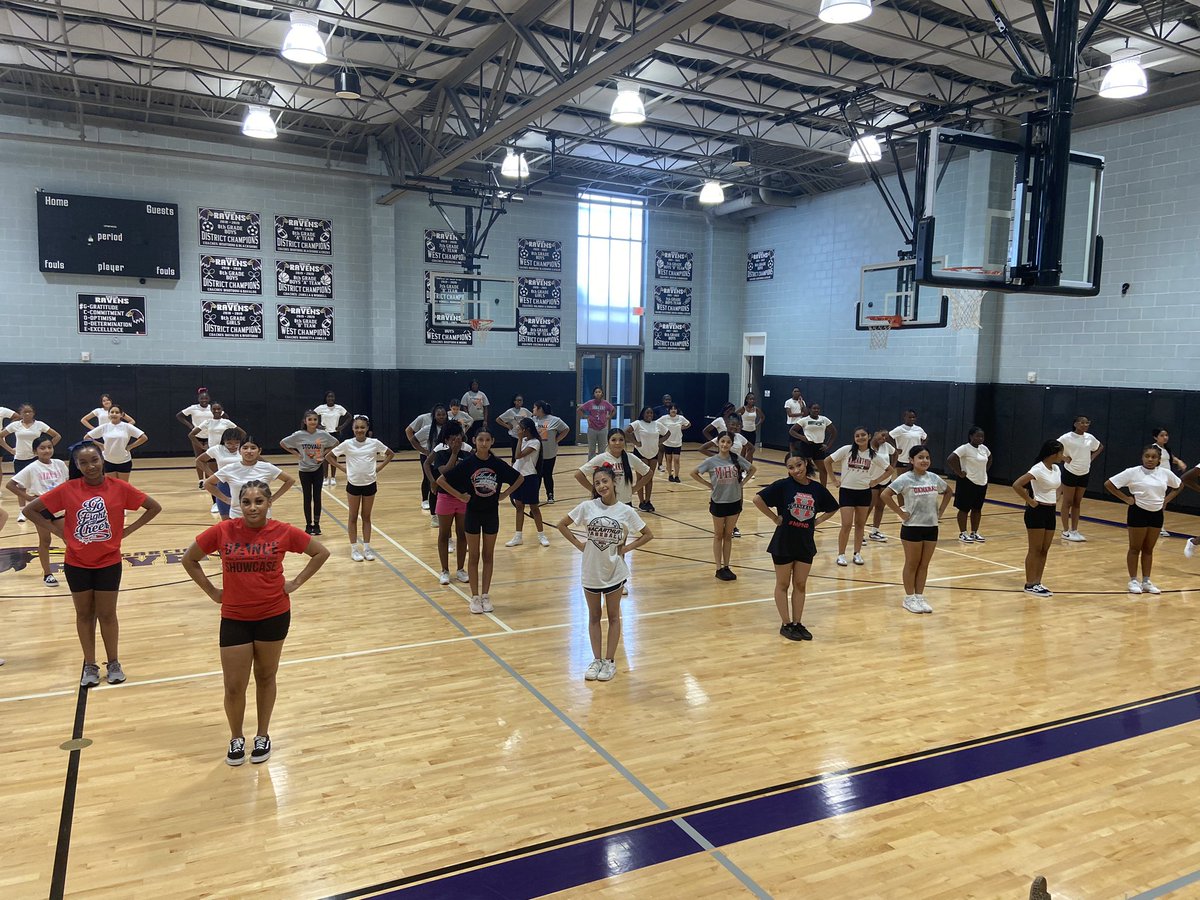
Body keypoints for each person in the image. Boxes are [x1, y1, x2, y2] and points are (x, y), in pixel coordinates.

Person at [181, 480, 330, 766]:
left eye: (259, 501)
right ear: (239, 504)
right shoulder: (223, 530)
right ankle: (236, 737)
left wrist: (296, 582)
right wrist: (212, 592)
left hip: (273, 614)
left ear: (269, 503)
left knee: (265, 677)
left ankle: (263, 734)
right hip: (235, 616)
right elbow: (190, 559)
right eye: (247, 502)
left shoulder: (283, 531)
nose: (252, 507)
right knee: (234, 685)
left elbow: (320, 552)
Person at [25, 442, 162, 686]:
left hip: (109, 561)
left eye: (94, 460)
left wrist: (127, 531)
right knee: (84, 614)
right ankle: (90, 664)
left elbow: (154, 507)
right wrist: (61, 535)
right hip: (77, 562)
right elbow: (31, 510)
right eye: (83, 462)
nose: (90, 466)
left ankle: (113, 662)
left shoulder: (119, 487)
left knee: (108, 614)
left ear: (102, 459)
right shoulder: (68, 489)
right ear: (76, 465)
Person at [557, 466, 654, 681]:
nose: (601, 486)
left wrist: (626, 548)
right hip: (590, 571)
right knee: (593, 617)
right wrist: (579, 545)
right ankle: (596, 660)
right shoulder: (586, 507)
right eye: (597, 483)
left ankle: (609, 661)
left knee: (613, 617)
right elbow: (561, 525)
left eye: (605, 481)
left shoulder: (625, 511)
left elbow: (648, 534)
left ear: (613, 483)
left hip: (614, 572)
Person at [753, 452, 839, 641]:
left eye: (798, 465)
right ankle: (786, 624)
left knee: (800, 584)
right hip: (783, 542)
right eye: (791, 467)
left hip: (805, 543)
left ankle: (798, 623)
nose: (796, 470)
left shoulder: (817, 488)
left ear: (806, 464)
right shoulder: (783, 485)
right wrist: (774, 518)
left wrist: (817, 522)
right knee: (783, 584)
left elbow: (833, 507)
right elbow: (757, 499)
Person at [437, 430, 523, 614]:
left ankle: (485, 595)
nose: (484, 443)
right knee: (474, 556)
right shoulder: (468, 463)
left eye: (487, 440)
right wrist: (460, 496)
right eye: (480, 440)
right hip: (473, 514)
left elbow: (519, 478)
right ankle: (474, 597)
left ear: (492, 441)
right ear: (475, 441)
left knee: (488, 556)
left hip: (491, 513)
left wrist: (506, 494)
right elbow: (441, 480)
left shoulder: (497, 464)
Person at [881, 446, 953, 614]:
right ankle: (909, 598)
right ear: (911, 460)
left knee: (924, 564)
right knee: (912, 563)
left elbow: (949, 492)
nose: (925, 461)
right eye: (920, 457)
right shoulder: (905, 478)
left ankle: (920, 596)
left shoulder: (934, 478)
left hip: (931, 527)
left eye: (927, 457)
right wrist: (900, 512)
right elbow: (885, 494)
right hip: (912, 527)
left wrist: (941, 511)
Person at [1105, 445, 1182, 594]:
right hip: (1138, 512)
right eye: (1147, 456)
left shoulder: (1165, 473)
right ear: (1142, 457)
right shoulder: (1132, 472)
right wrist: (1126, 499)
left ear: (1159, 459)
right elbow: (1109, 484)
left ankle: (1146, 580)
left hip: (1157, 513)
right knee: (1135, 548)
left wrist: (1166, 500)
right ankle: (1133, 580)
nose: (1150, 459)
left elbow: (1179, 486)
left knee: (1148, 549)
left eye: (1154, 457)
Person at [326, 416, 393, 562]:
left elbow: (390, 454)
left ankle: (367, 548)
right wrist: (342, 469)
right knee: (353, 517)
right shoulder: (347, 444)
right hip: (353, 484)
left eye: (362, 427)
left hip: (370, 483)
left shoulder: (374, 443)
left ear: (367, 428)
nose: (359, 430)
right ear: (352, 429)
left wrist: (379, 467)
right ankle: (354, 549)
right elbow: (329, 456)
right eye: (356, 427)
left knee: (367, 517)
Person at [6, 434, 68, 585]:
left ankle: (74, 567)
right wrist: (29, 498)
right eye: (42, 448)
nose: (46, 450)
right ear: (35, 452)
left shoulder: (59, 464)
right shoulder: (32, 467)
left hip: (59, 507)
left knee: (69, 538)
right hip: (41, 509)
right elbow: (10, 485)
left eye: (49, 447)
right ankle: (47, 574)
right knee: (45, 540)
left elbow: (68, 483)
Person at [692, 433, 755, 580]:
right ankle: (718, 568)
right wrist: (709, 485)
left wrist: (742, 484)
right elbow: (693, 473)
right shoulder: (711, 461)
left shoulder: (736, 458)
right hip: (718, 501)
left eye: (728, 442)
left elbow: (752, 469)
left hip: (734, 500)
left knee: (728, 535)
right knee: (718, 535)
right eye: (722, 441)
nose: (725, 445)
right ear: (718, 443)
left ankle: (727, 566)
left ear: (731, 444)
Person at [828, 428, 893, 566]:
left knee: (860, 524)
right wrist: (834, 480)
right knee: (846, 524)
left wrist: (876, 481)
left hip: (864, 492)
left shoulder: (873, 455)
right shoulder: (847, 450)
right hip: (846, 491)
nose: (860, 437)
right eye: (857, 435)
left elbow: (890, 470)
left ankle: (857, 554)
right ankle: (841, 554)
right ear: (854, 438)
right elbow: (827, 461)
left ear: (869, 436)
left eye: (863, 435)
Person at [1011, 440, 1063, 597]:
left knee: (1044, 549)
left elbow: (1059, 485)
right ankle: (1030, 583)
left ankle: (1038, 581)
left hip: (1050, 511)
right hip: (1037, 511)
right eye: (1061, 452)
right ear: (1053, 453)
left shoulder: (1056, 468)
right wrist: (1031, 501)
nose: (1063, 456)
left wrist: (1057, 496)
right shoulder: (1038, 468)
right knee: (1035, 549)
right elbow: (1017, 485)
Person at [206, 435, 295, 528]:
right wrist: (226, 499)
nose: (249, 451)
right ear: (239, 451)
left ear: (259, 451)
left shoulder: (267, 467)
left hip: (263, 517)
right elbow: (208, 483)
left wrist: (273, 498)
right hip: (237, 516)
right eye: (245, 448)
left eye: (253, 448)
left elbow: (290, 480)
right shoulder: (230, 468)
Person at [424, 421, 470, 585]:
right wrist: (454, 453)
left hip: (463, 498)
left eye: (457, 436)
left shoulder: (468, 450)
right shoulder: (442, 452)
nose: (455, 440)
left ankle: (460, 569)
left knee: (462, 533)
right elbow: (445, 471)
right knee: (444, 534)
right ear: (446, 439)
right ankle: (444, 570)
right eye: (451, 438)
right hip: (445, 497)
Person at [279, 411, 340, 534]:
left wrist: (323, 453)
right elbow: (283, 443)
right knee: (307, 497)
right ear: (305, 421)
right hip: (304, 470)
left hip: (318, 469)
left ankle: (317, 525)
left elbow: (336, 443)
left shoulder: (322, 434)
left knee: (317, 497)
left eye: (315, 419)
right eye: (310, 419)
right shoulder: (298, 435)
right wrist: (296, 453)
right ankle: (308, 525)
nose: (313, 422)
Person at [1058, 415, 1103, 542]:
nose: (1085, 425)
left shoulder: (1090, 438)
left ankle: (1074, 530)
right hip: (1070, 471)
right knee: (1068, 502)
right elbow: (1055, 448)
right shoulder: (1066, 437)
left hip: (1084, 472)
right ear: (1075, 424)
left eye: (1087, 423)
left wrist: (1091, 458)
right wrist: (1064, 458)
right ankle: (1065, 531)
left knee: (1077, 502)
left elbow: (1099, 447)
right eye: (1082, 423)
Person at [506, 418, 550, 548]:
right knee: (519, 507)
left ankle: (542, 535)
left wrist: (519, 439)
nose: (518, 430)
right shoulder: (524, 440)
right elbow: (516, 457)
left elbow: (518, 455)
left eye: (520, 428)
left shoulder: (535, 442)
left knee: (534, 508)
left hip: (530, 477)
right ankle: (518, 536)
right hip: (518, 477)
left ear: (527, 430)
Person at [946, 426, 992, 543]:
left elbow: (990, 458)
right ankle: (963, 533)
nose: (980, 438)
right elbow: (951, 459)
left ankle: (974, 532)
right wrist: (959, 472)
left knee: (977, 509)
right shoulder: (964, 448)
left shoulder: (984, 449)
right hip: (967, 482)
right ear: (971, 436)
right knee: (964, 509)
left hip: (982, 481)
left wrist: (984, 470)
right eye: (977, 436)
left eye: (982, 436)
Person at [406, 404, 448, 518]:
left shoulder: (451, 427)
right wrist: (424, 451)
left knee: (446, 487)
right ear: (434, 416)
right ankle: (433, 514)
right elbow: (413, 439)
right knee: (432, 484)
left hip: (448, 462)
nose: (441, 417)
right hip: (433, 461)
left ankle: (446, 513)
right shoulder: (428, 429)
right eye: (438, 415)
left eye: (443, 414)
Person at [85, 404, 147, 482]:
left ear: (121, 415)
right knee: (111, 486)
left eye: (117, 412)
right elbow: (86, 438)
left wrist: (130, 447)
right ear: (109, 414)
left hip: (124, 461)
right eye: (112, 412)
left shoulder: (127, 426)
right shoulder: (104, 427)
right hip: (108, 461)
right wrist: (100, 445)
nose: (114, 414)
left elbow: (144, 437)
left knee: (123, 486)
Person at [2, 405, 61, 486]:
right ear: (20, 414)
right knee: (20, 486)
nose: (27, 414)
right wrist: (10, 450)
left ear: (33, 413)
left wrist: (46, 448)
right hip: (20, 458)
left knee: (37, 484)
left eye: (29, 412)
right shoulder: (15, 425)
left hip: (35, 458)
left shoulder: (40, 424)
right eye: (24, 412)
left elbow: (57, 436)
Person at [197, 428, 245, 521]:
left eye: (236, 443)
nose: (233, 446)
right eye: (229, 443)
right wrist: (212, 475)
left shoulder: (244, 449)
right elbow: (199, 460)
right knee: (226, 521)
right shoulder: (217, 449)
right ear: (224, 441)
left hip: (242, 486)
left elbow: (260, 462)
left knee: (244, 520)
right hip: (224, 486)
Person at [626, 407, 668, 512]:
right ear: (643, 414)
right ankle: (641, 502)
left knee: (649, 478)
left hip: (654, 453)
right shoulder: (637, 423)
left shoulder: (657, 424)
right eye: (647, 412)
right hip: (640, 453)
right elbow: (626, 432)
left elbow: (668, 433)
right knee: (641, 478)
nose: (649, 414)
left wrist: (660, 441)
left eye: (651, 413)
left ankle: (648, 501)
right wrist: (635, 442)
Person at [532, 401, 570, 504]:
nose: (533, 410)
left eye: (534, 408)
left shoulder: (554, 420)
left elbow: (566, 429)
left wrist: (557, 440)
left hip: (549, 452)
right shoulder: (533, 420)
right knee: (537, 475)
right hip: (536, 453)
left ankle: (550, 495)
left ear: (540, 409)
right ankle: (535, 496)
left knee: (547, 474)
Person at [788, 403, 835, 485]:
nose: (816, 410)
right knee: (803, 469)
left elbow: (834, 432)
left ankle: (823, 489)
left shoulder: (824, 419)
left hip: (819, 447)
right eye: (814, 408)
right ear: (809, 409)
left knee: (823, 470)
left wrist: (828, 445)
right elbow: (792, 431)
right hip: (807, 446)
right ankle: (797, 484)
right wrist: (802, 438)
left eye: (818, 408)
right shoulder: (804, 420)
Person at [177, 388, 214, 489]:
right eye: (202, 398)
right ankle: (201, 481)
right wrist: (190, 426)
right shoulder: (193, 408)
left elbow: (225, 416)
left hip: (210, 437)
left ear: (209, 398)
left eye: (206, 398)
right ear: (199, 399)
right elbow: (179, 416)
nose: (204, 400)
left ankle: (209, 480)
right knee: (199, 458)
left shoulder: (212, 408)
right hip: (197, 437)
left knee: (209, 459)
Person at [1151, 427, 1186, 536]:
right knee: (1157, 502)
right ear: (1155, 437)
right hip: (1156, 478)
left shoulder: (1166, 449)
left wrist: (1179, 461)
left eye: (1166, 435)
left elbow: (1171, 457)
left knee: (1162, 502)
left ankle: (1157, 526)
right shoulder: (1154, 448)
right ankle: (1158, 527)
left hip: (1165, 479)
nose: (1165, 437)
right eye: (1162, 435)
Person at [867, 429, 896, 543]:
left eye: (886, 437)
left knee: (880, 507)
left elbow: (895, 453)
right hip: (872, 480)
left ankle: (875, 531)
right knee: (869, 507)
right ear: (875, 433)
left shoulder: (887, 446)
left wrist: (893, 466)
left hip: (885, 480)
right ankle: (859, 533)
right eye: (882, 435)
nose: (884, 439)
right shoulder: (867, 448)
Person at [315, 391, 349, 484]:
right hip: (324, 434)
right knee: (325, 456)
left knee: (334, 455)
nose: (330, 398)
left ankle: (333, 477)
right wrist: (318, 425)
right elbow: (310, 415)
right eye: (329, 397)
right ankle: (325, 477)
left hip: (335, 434)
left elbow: (349, 417)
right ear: (326, 398)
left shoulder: (339, 408)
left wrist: (342, 426)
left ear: (334, 398)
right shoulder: (321, 408)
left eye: (332, 397)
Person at [656, 404, 691, 483]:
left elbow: (688, 424)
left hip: (677, 442)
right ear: (669, 410)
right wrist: (662, 431)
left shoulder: (681, 418)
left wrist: (682, 428)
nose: (673, 410)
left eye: (675, 409)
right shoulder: (664, 418)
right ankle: (670, 475)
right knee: (669, 459)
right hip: (668, 442)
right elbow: (656, 423)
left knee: (677, 459)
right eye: (671, 409)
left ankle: (677, 476)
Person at [578, 387, 616, 458]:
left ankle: (602, 464)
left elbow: (613, 410)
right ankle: (591, 464)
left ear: (602, 393)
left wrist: (609, 416)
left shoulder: (605, 403)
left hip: (603, 428)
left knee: (602, 449)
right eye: (596, 392)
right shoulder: (590, 403)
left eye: (599, 392)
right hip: (592, 428)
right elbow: (579, 409)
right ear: (594, 394)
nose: (598, 393)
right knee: (591, 449)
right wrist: (586, 416)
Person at [889, 409, 927, 477]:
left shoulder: (919, 429)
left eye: (913, 417)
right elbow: (889, 437)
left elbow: (925, 437)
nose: (912, 419)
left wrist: (921, 447)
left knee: (915, 480)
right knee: (902, 480)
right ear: (904, 418)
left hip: (916, 459)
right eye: (909, 417)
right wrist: (895, 449)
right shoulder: (900, 429)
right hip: (903, 459)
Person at [496, 394, 533, 461]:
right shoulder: (510, 411)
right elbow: (498, 419)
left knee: (523, 454)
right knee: (515, 455)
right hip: (514, 435)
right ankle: (513, 468)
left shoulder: (525, 410)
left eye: (521, 400)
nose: (519, 402)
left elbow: (532, 418)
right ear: (514, 402)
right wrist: (507, 426)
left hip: (524, 436)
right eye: (518, 400)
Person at [734, 393, 765, 464]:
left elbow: (762, 417)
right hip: (744, 431)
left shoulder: (756, 409)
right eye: (751, 399)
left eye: (754, 399)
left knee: (751, 450)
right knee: (743, 450)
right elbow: (734, 416)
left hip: (752, 431)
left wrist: (757, 424)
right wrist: (738, 425)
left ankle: (749, 468)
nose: (753, 401)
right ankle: (741, 467)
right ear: (747, 400)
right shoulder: (743, 408)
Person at [784, 387, 807, 453]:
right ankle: (792, 455)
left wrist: (801, 403)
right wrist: (800, 414)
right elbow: (790, 414)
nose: (796, 393)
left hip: (800, 424)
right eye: (795, 391)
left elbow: (805, 414)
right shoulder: (788, 402)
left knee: (801, 440)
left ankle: (800, 454)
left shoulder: (802, 402)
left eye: (798, 391)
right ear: (792, 393)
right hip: (792, 424)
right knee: (792, 442)